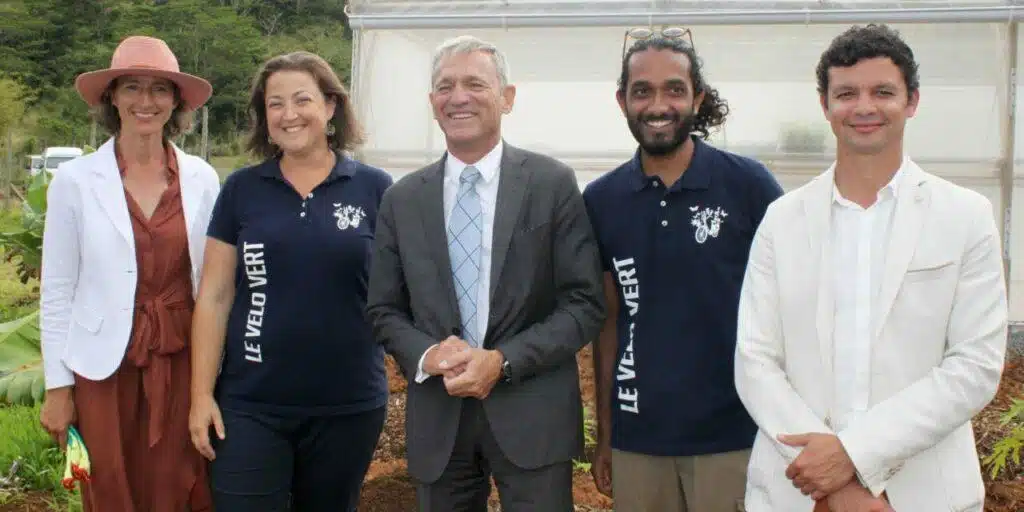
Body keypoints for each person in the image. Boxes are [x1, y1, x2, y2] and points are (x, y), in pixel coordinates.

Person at [735, 23, 1008, 512]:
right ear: (825, 106)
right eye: (846, 94)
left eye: (883, 92)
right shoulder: (782, 219)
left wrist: (854, 455)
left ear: (912, 101)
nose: (864, 107)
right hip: (798, 492)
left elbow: (975, 365)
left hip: (924, 494)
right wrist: (834, 482)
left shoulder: (965, 216)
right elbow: (755, 360)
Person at [366, 34, 605, 511]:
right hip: (440, 417)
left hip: (533, 415)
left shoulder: (551, 184)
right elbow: (384, 309)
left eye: (475, 84)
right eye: (445, 86)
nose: (458, 97)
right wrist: (429, 354)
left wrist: (503, 360)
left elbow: (583, 303)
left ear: (506, 97)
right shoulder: (402, 199)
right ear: (432, 103)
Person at [582, 32, 784, 512]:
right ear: (622, 101)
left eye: (674, 89)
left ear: (698, 98)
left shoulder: (749, 186)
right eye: (642, 91)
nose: (658, 105)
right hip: (638, 440)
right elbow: (608, 323)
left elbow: (789, 307)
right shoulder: (601, 200)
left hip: (734, 436)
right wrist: (607, 434)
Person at [187, 51, 392, 511]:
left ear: (331, 106)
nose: (288, 114)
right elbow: (215, 296)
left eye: (302, 99)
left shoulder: (374, 188)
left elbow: (399, 293)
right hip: (250, 404)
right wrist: (200, 396)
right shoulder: (241, 189)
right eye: (274, 104)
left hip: (347, 405)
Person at [38, 35, 220, 511]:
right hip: (102, 367)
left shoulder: (202, 178)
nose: (146, 101)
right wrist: (58, 386)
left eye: (159, 89)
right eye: (132, 87)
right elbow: (57, 291)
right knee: (109, 484)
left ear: (176, 101)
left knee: (181, 482)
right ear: (112, 97)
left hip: (182, 357)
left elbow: (215, 284)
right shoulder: (76, 181)